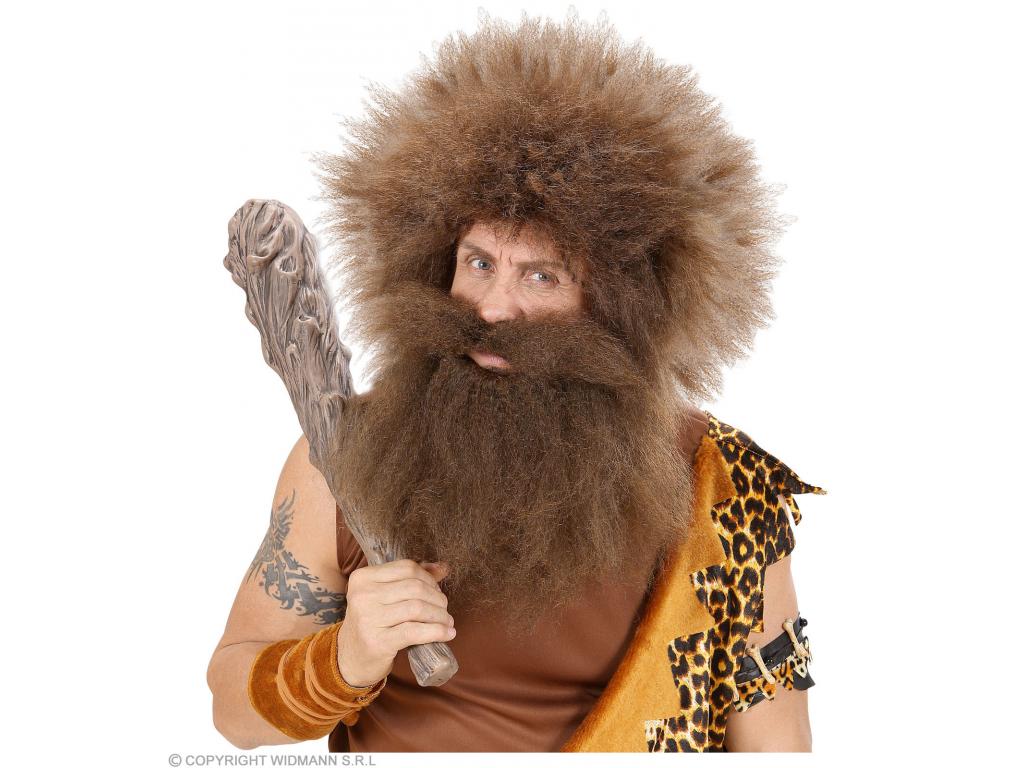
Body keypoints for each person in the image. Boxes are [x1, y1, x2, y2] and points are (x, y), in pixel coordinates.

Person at [207, 9, 824, 752]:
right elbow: (231, 713)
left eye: (541, 275)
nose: (494, 308)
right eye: (479, 262)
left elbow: (778, 750)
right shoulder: (341, 459)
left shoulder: (722, 486)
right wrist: (342, 659)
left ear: (620, 304)